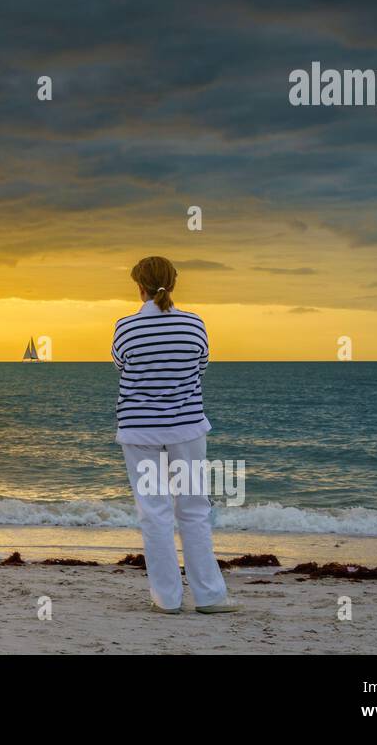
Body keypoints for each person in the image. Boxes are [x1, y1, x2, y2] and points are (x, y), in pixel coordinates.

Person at [111, 255, 236, 614]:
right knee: (194, 509)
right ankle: (210, 596)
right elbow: (202, 365)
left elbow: (122, 364)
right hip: (187, 428)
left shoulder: (125, 327)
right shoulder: (194, 324)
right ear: (174, 283)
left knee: (155, 513)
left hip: (139, 431)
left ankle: (166, 599)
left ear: (139, 287)